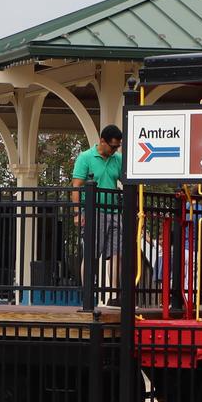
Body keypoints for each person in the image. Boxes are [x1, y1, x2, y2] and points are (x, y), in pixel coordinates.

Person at [71, 124, 126, 289]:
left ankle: (114, 293)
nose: (115, 149)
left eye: (117, 146)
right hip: (94, 211)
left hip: (115, 212)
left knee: (117, 253)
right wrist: (77, 213)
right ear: (102, 141)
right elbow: (76, 186)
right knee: (91, 253)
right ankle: (86, 292)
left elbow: (126, 182)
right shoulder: (86, 157)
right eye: (113, 146)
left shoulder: (118, 159)